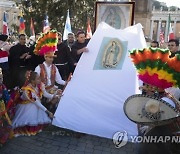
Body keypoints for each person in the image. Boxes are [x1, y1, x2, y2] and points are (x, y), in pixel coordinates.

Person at [12, 71, 59, 136]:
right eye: (38, 78)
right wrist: (48, 112)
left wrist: (55, 95)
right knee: (34, 107)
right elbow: (36, 102)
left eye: (39, 78)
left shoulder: (39, 85)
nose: (40, 79)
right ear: (32, 81)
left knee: (37, 106)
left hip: (35, 103)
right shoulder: (27, 90)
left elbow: (45, 94)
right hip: (27, 105)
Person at [34, 30, 66, 112]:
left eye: (52, 57)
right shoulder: (39, 67)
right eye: (50, 57)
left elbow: (58, 80)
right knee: (55, 95)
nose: (51, 59)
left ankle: (50, 107)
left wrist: (67, 82)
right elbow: (35, 82)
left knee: (61, 93)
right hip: (41, 90)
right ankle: (48, 107)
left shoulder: (54, 67)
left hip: (51, 89)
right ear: (45, 57)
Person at [0, 68, 14, 145]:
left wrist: (10, 101)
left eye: (1, 77)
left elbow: (6, 96)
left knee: (3, 123)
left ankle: (2, 139)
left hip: (2, 107)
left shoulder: (2, 86)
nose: (1, 79)